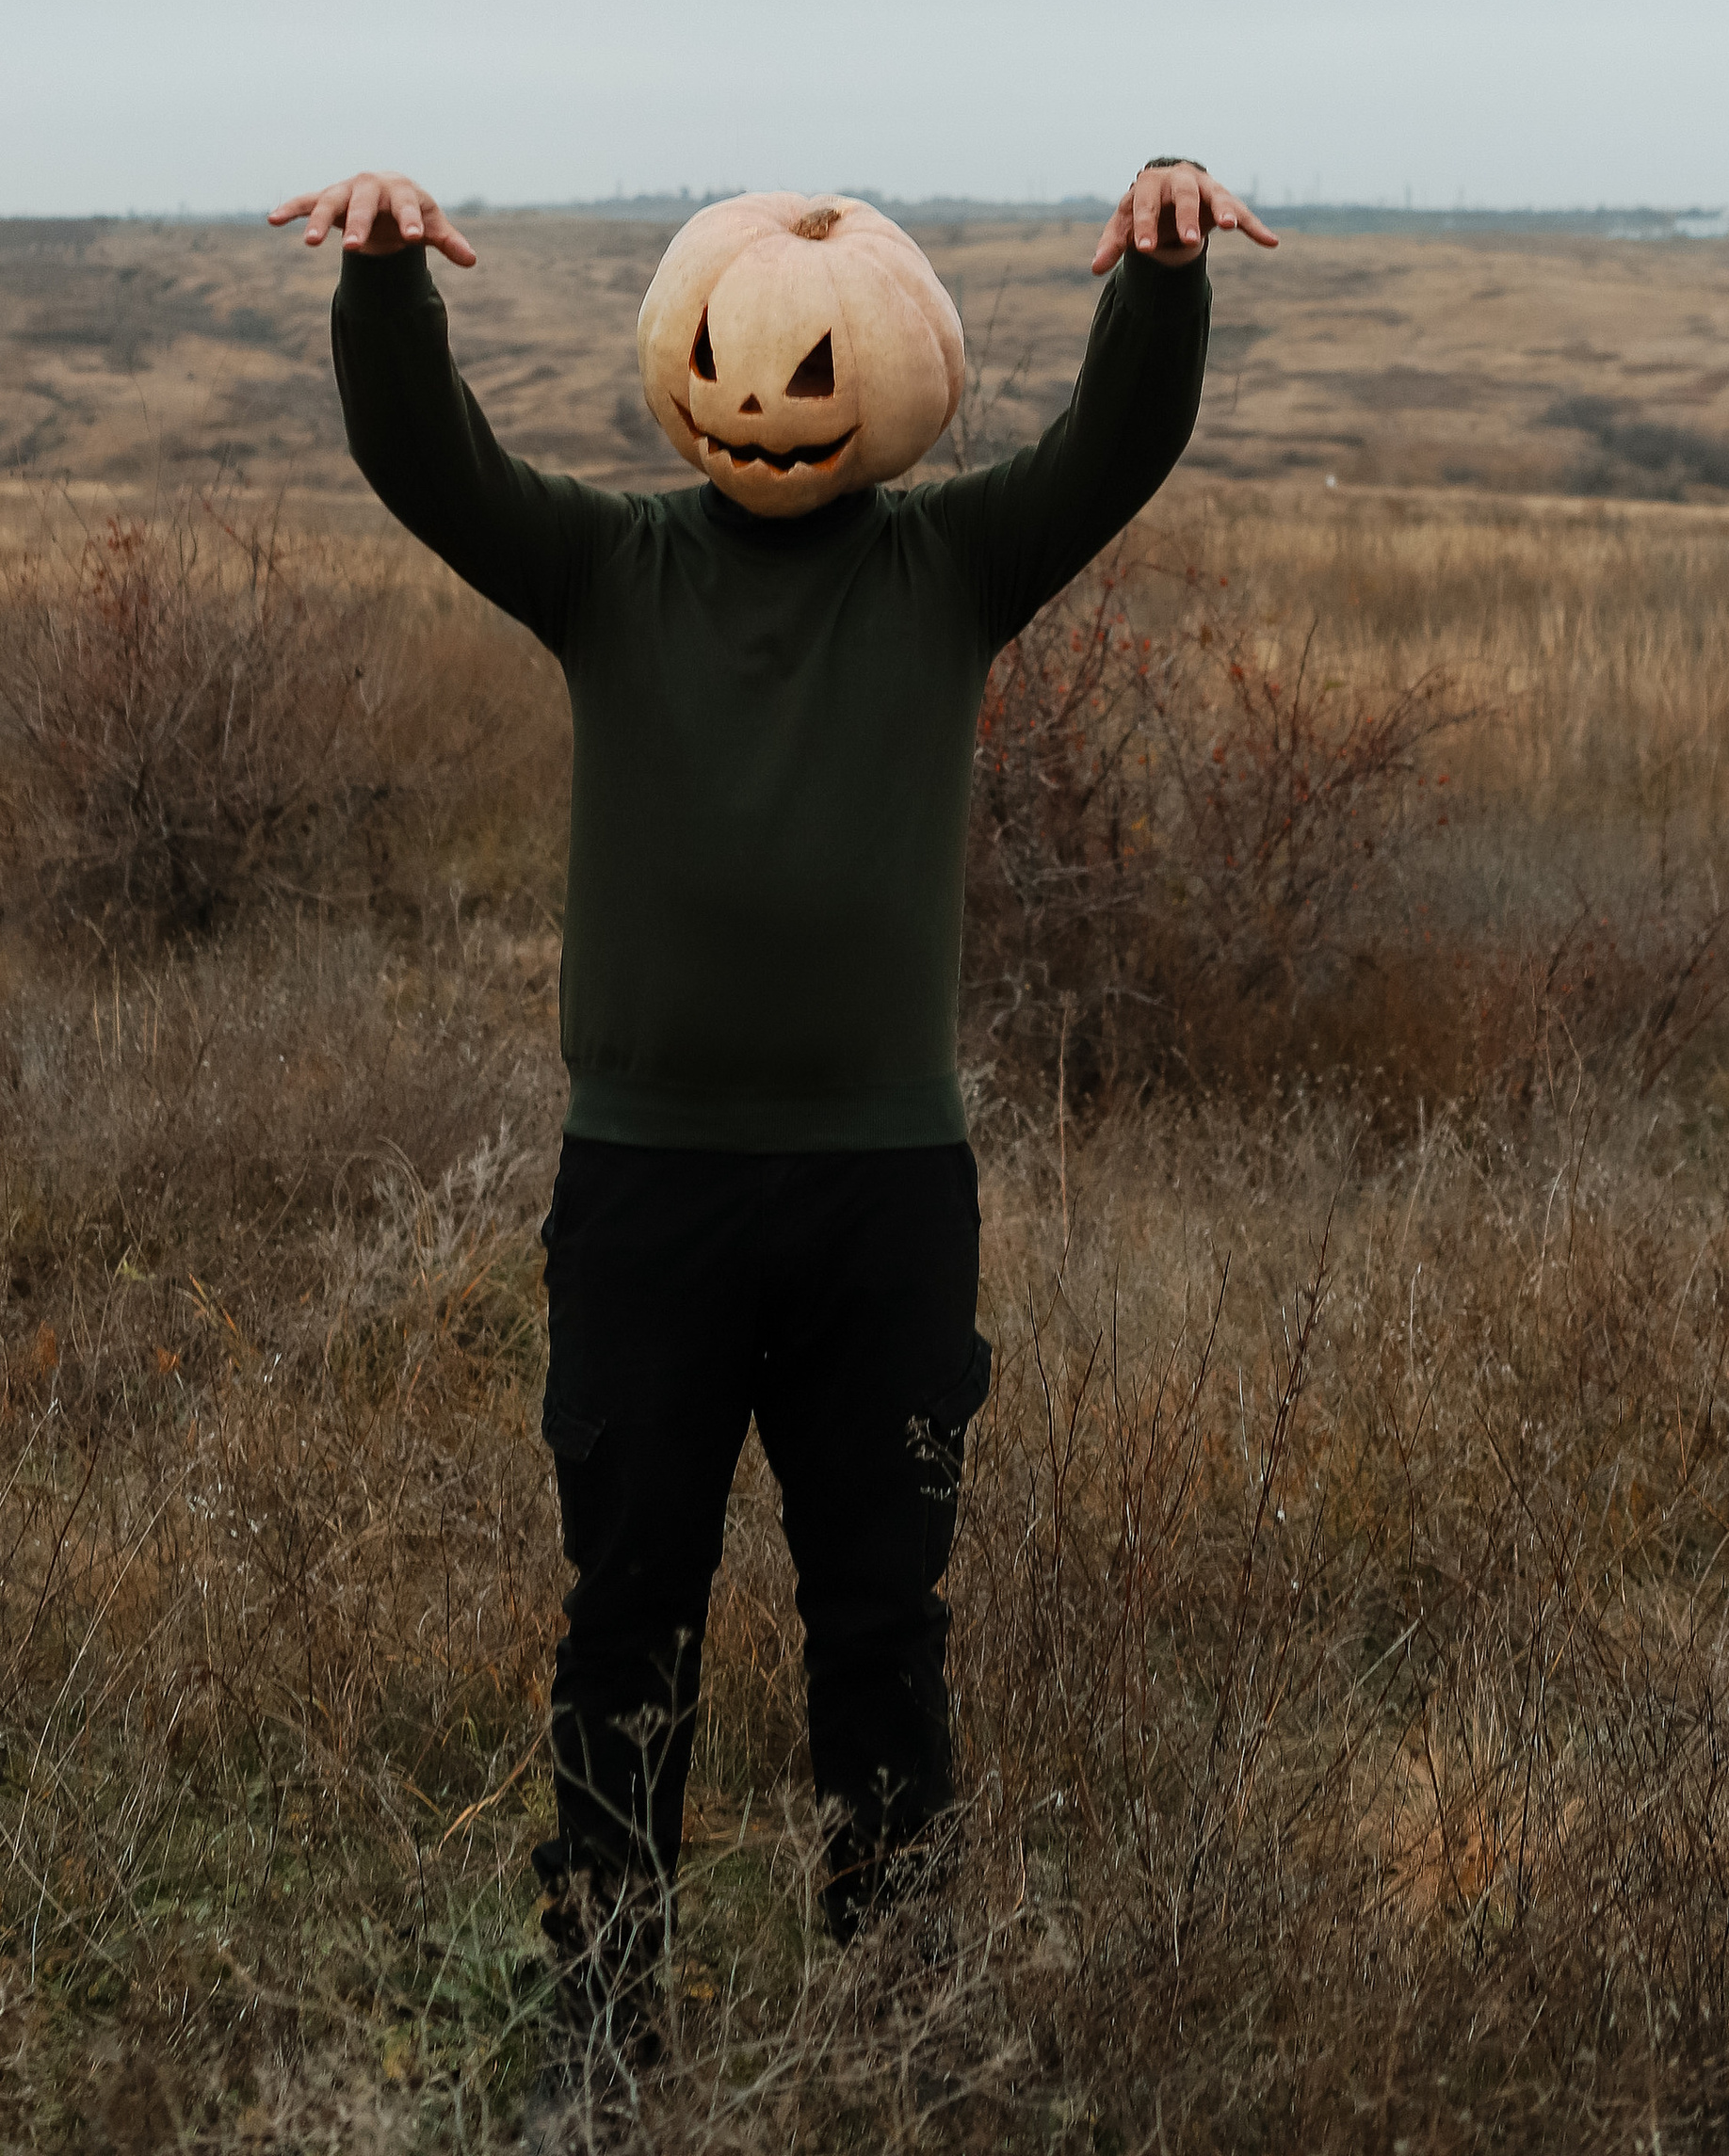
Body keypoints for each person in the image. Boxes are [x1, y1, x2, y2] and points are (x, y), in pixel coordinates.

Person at [268, 153, 1276, 2088]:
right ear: (677, 370)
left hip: (882, 1197)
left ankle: (901, 2012)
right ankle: (598, 2023)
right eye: (731, 365)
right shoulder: (606, 568)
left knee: (879, 1618)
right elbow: (425, 463)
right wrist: (388, 280)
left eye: (811, 370)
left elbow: (1114, 446)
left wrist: (1157, 268)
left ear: (891, 389)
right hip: (643, 1187)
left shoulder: (948, 569)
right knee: (625, 1611)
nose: (765, 402)